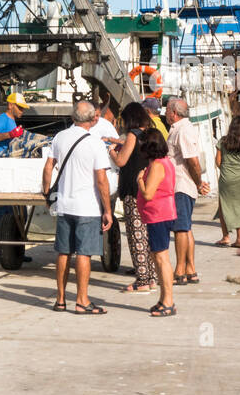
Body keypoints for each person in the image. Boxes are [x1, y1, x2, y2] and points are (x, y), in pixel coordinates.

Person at [42, 100, 112, 315]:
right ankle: (82, 300)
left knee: (63, 252)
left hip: (64, 204)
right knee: (83, 253)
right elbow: (101, 180)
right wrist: (107, 210)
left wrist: (46, 193)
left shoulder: (60, 137)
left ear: (73, 117)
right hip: (87, 206)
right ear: (94, 118)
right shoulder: (95, 143)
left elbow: (48, 167)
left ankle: (60, 299)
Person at [109, 102, 157, 292]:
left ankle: (142, 281)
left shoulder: (133, 134)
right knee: (148, 236)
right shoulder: (150, 134)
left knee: (136, 236)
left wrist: (111, 151)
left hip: (133, 190)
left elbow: (121, 161)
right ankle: (152, 277)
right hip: (149, 189)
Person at [164, 96, 210, 285]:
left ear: (174, 113)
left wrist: (199, 183)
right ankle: (190, 269)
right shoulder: (182, 128)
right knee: (186, 228)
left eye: (167, 109)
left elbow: (192, 160)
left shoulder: (182, 130)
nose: (165, 112)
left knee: (181, 229)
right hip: (184, 184)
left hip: (181, 184)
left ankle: (180, 270)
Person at [136, 127, 177, 316]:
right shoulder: (164, 162)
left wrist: (139, 181)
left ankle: (168, 300)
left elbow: (148, 193)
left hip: (159, 214)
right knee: (158, 257)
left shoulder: (158, 165)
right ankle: (163, 299)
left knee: (161, 259)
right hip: (160, 213)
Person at [214, 116, 240, 247]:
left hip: (226, 178)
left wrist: (226, 170)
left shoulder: (223, 141)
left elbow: (218, 162)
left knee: (223, 206)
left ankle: (225, 237)